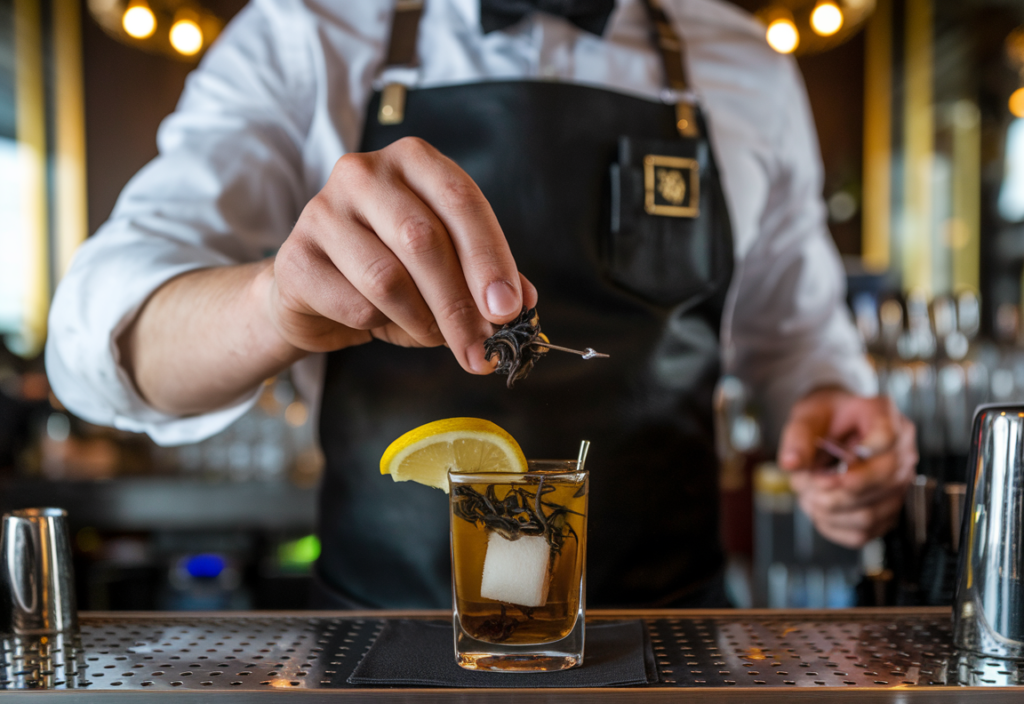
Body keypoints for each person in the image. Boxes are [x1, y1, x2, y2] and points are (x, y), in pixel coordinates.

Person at [46, 0, 916, 609]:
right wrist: (275, 302)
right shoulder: (303, 33)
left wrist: (830, 416)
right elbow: (97, 345)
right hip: (379, 644)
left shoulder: (745, 64)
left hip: (669, 639)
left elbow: (793, 339)